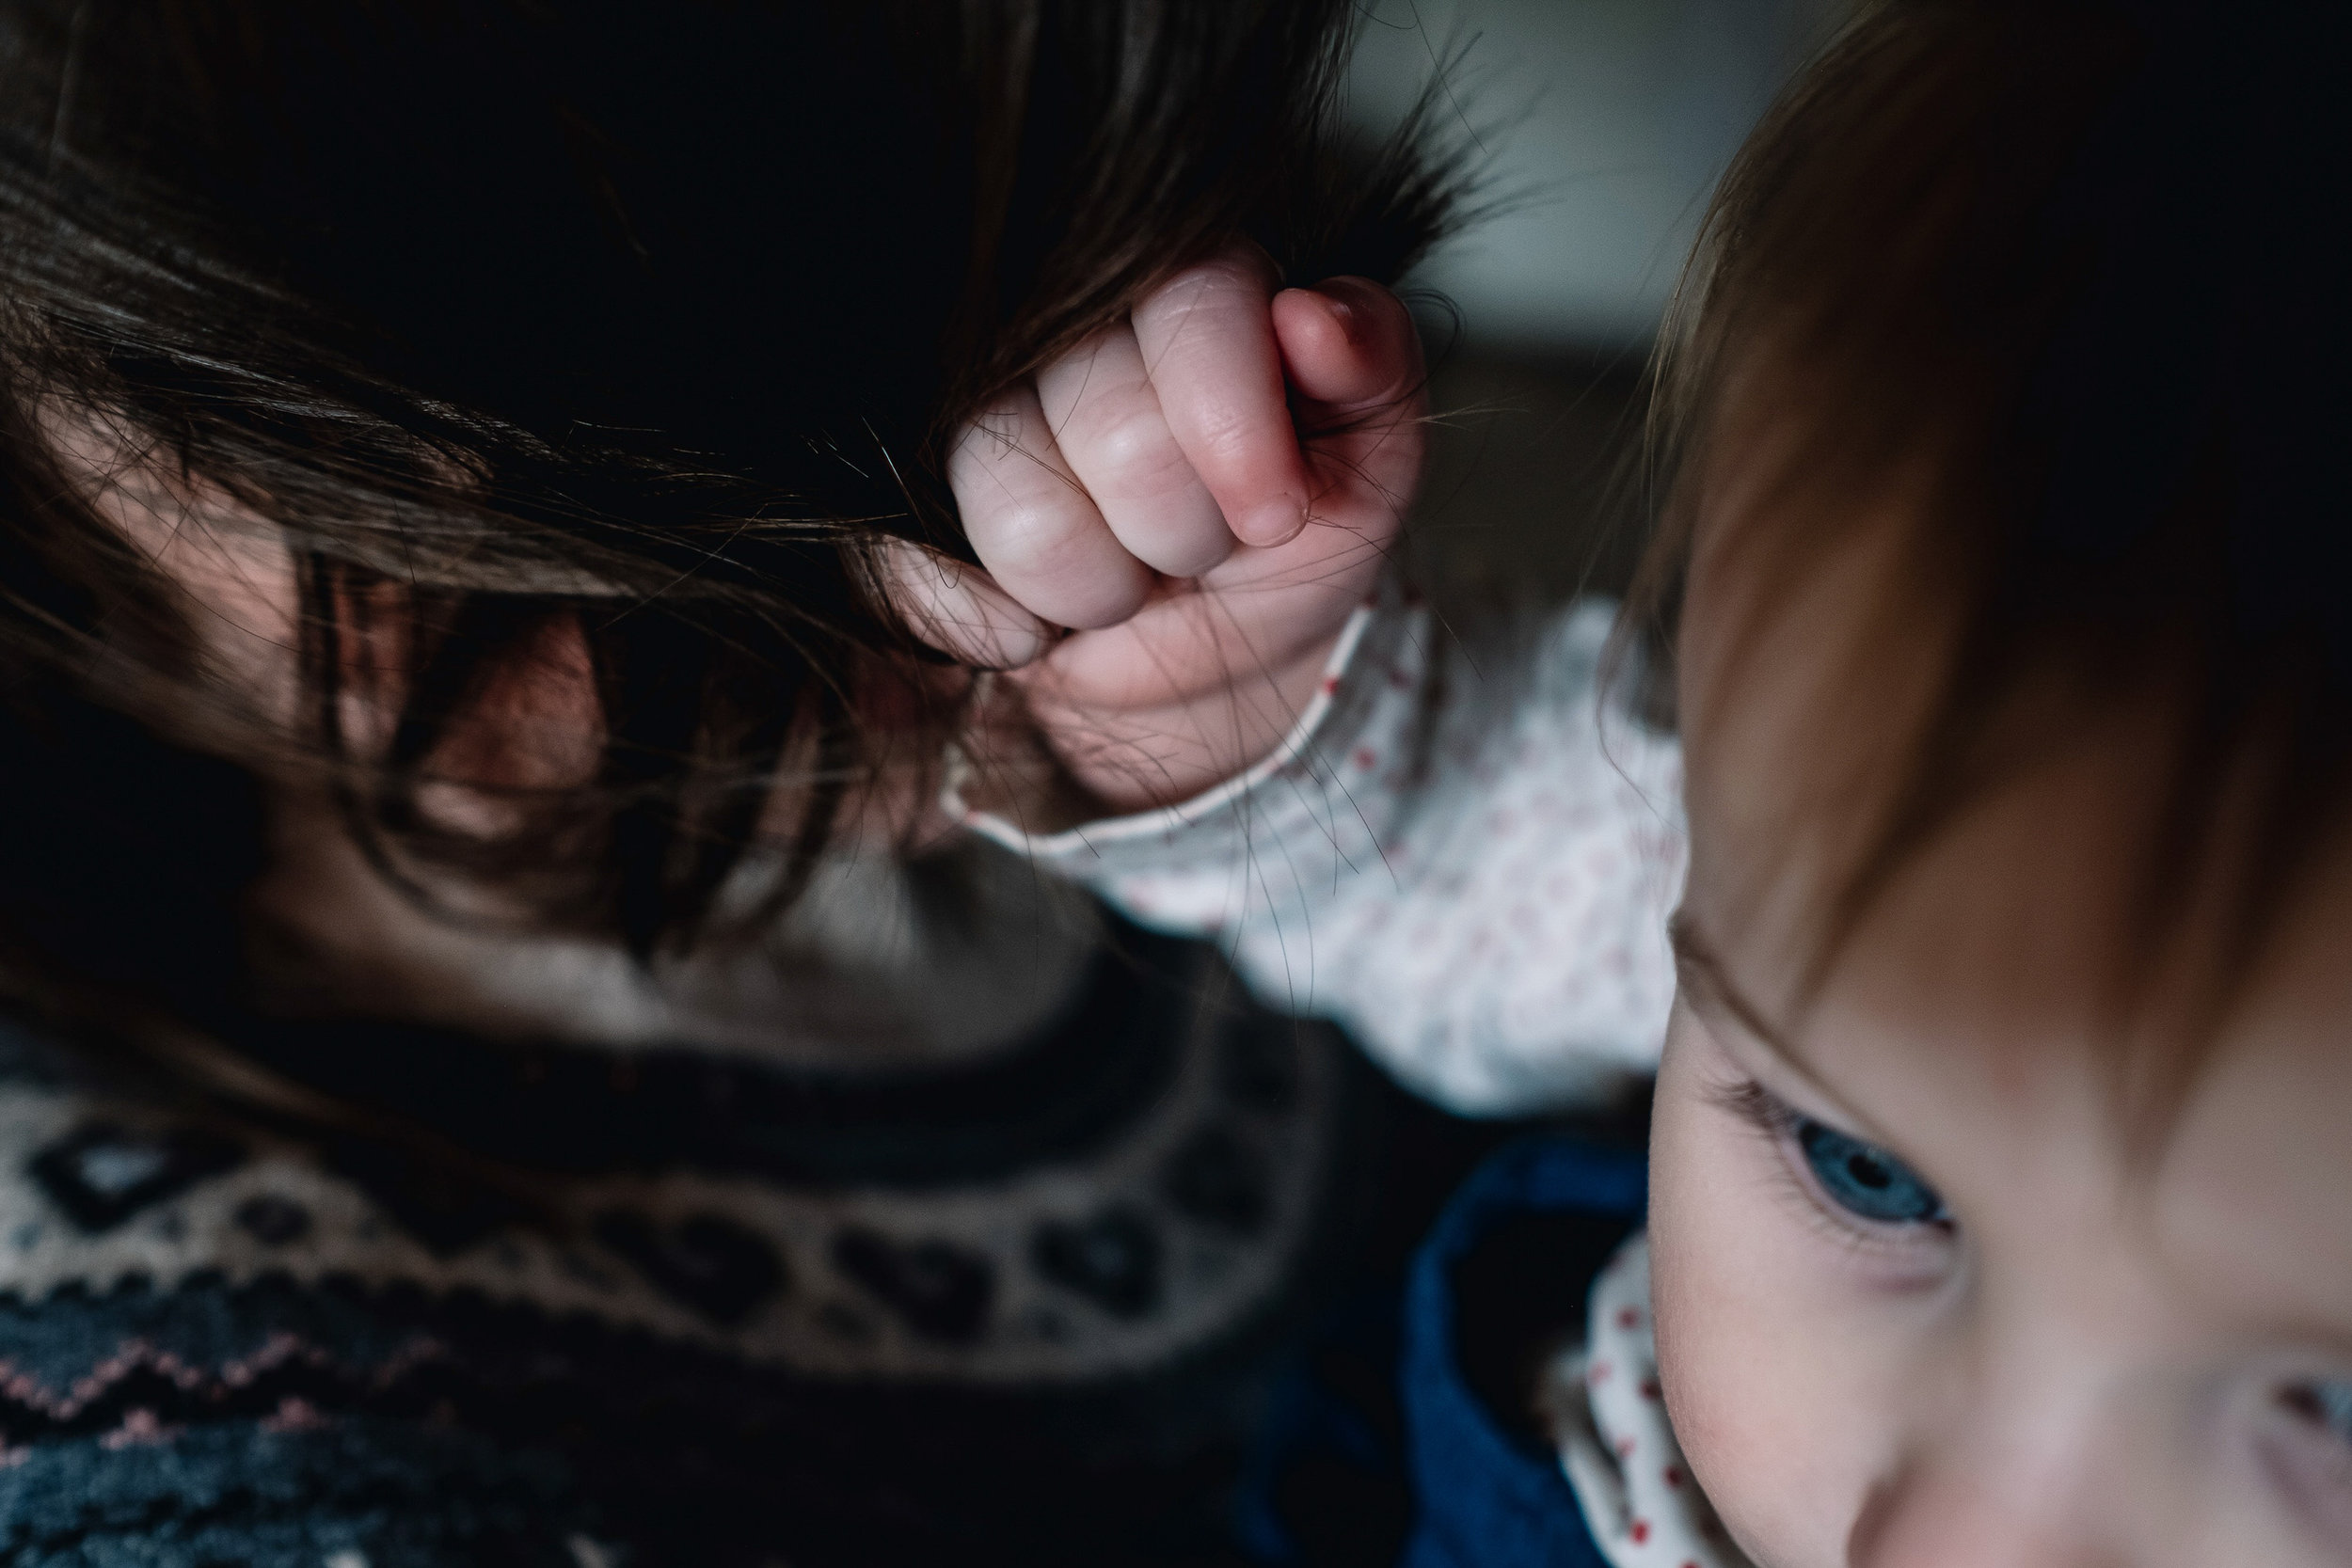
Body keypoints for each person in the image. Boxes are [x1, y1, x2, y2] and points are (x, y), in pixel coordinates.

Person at [0, 3, 1498, 1561]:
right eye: (548, 515)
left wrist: (1328, 764)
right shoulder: (170, 1437)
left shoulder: (1230, 599)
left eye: (991, 297)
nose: (941, 576)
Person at [954, 0, 2352, 1564]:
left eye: (2333, 1408)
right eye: (1866, 1171)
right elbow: (1464, 838)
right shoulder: (1811, 891)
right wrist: (1222, 689)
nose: (1957, 1541)